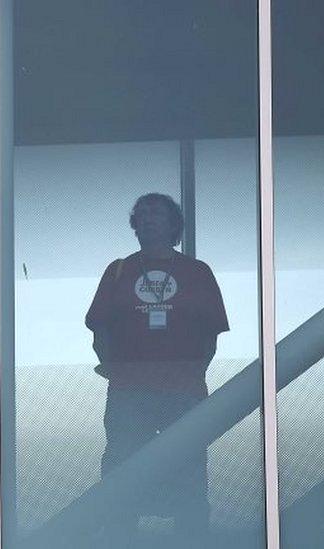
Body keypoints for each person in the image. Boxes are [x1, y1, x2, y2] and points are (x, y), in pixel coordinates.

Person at [86, 192, 229, 547]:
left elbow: (211, 332)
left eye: (157, 213)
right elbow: (98, 325)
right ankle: (121, 539)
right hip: (129, 391)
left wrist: (191, 372)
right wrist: (115, 369)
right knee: (122, 468)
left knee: (189, 468)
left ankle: (192, 540)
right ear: (135, 225)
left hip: (183, 392)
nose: (149, 219)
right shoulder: (118, 270)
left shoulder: (197, 272)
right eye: (143, 214)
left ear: (173, 225)